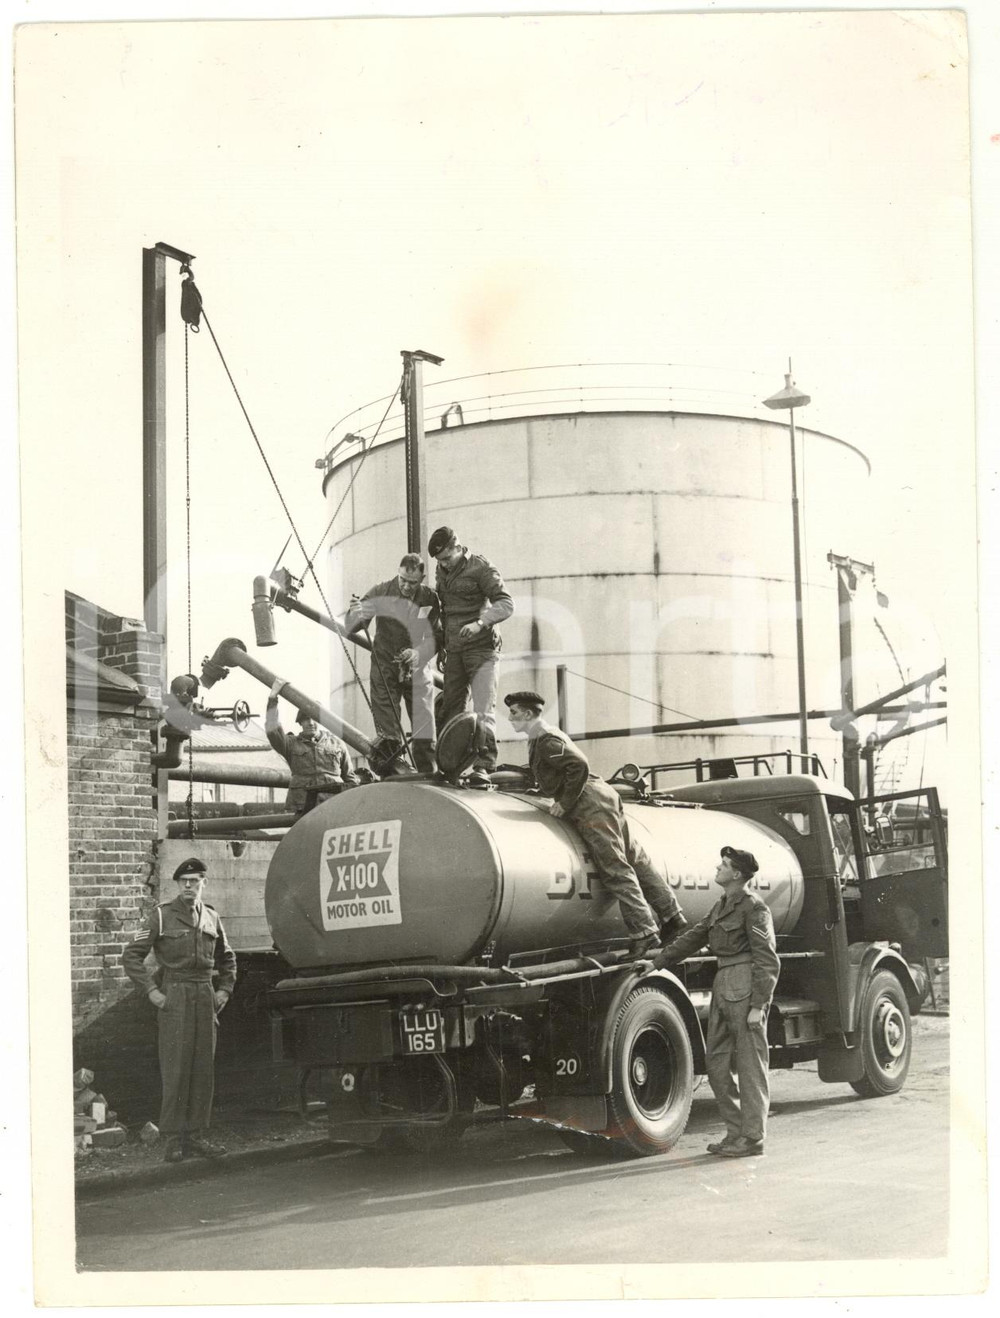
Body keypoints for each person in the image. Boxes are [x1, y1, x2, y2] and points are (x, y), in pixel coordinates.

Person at [504, 690, 687, 957]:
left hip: (589, 802)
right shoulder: (543, 736)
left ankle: (645, 933)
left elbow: (578, 765)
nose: (510, 718)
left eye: (514, 713)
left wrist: (565, 802)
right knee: (635, 858)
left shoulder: (545, 739)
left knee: (614, 867)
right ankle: (672, 917)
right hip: (602, 796)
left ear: (528, 713)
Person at [658, 846, 780, 1158]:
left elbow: (767, 959)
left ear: (737, 874)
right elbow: (694, 937)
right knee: (716, 1064)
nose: (718, 868)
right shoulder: (721, 905)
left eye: (724, 865)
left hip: (744, 983)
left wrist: (759, 1006)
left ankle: (752, 1138)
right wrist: (658, 962)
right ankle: (735, 1133)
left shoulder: (754, 907)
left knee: (750, 1067)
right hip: (723, 983)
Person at [122, 857, 237, 1163]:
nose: (188, 886)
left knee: (202, 1069)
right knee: (176, 1068)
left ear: (203, 884)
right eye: (184, 881)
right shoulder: (161, 916)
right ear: (177, 884)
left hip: (205, 995)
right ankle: (173, 1139)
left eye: (194, 881)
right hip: (175, 994)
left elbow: (227, 958)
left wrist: (224, 990)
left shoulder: (212, 917)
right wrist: (152, 991)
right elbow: (131, 956)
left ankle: (196, 1136)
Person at [342, 552, 443, 774]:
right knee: (388, 733)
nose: (406, 586)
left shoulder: (429, 599)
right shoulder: (380, 592)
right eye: (402, 580)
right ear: (398, 573)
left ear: (422, 578)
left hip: (417, 668)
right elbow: (351, 627)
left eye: (412, 583)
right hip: (385, 667)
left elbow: (437, 636)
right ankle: (396, 773)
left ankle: (428, 774)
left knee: (425, 728)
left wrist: (418, 653)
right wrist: (355, 614)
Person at [429, 526, 514, 787]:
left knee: (483, 708)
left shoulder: (481, 567)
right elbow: (445, 611)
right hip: (455, 650)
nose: (444, 564)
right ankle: (450, 767)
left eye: (447, 558)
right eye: (440, 561)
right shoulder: (442, 571)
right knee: (451, 709)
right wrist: (443, 646)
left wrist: (480, 623)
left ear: (458, 547)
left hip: (481, 649)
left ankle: (483, 766)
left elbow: (506, 604)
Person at [265, 691, 359, 813]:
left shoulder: (337, 744)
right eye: (306, 719)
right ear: (300, 722)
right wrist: (273, 699)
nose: (310, 723)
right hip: (303, 806)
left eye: (314, 718)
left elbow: (350, 779)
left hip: (333, 804)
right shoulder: (290, 744)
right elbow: (272, 730)